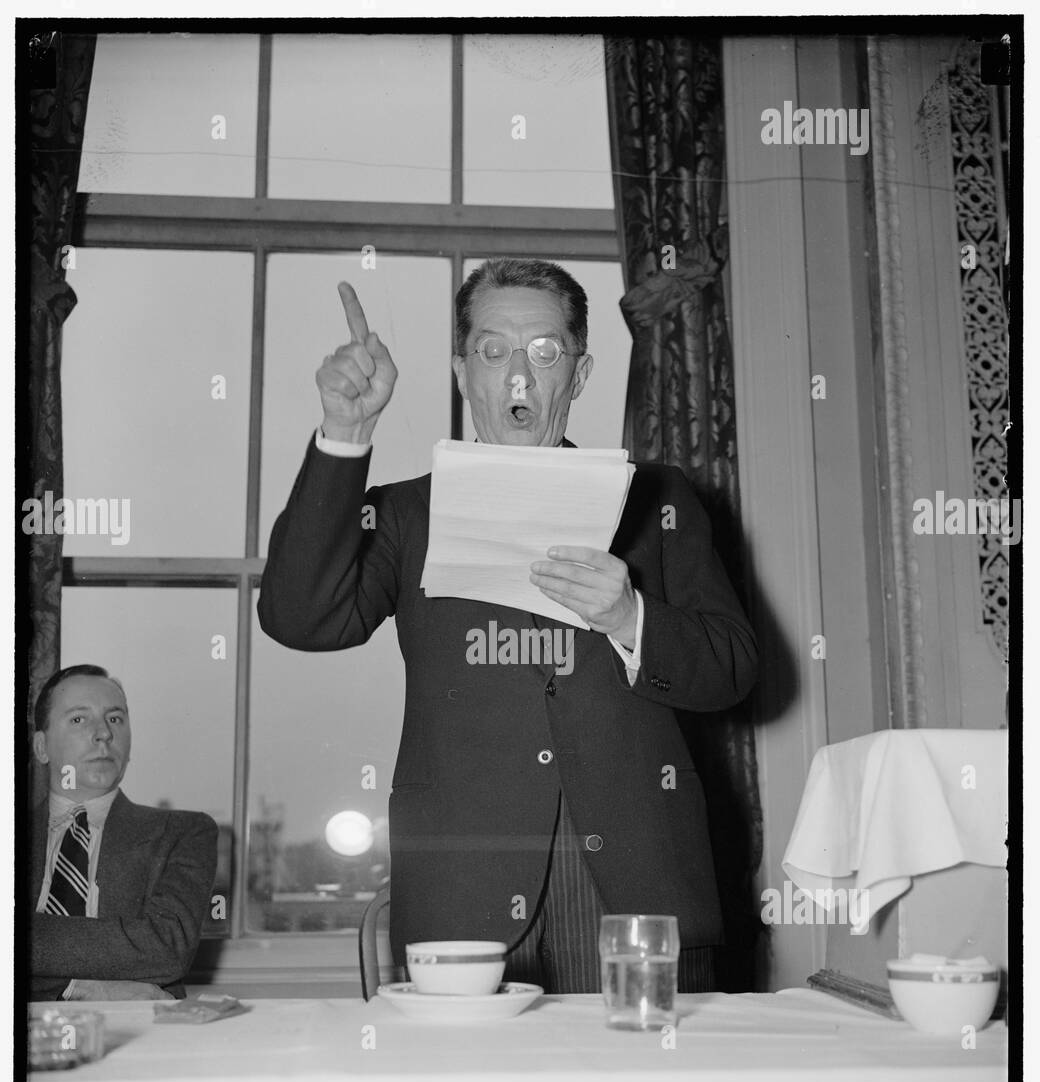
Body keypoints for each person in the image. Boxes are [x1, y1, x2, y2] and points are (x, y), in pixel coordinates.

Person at [259, 259, 757, 992]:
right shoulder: (403, 515)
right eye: (494, 352)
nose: (518, 377)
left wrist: (631, 617)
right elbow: (299, 617)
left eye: (544, 352)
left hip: (635, 896)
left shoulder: (660, 500)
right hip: (462, 901)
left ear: (580, 374)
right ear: (462, 372)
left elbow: (734, 670)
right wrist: (344, 433)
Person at [29, 664, 218, 1002]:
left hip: (139, 1036)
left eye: (114, 719)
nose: (103, 733)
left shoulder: (184, 833)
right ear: (41, 747)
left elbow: (166, 949)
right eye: (79, 719)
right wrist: (82, 987)